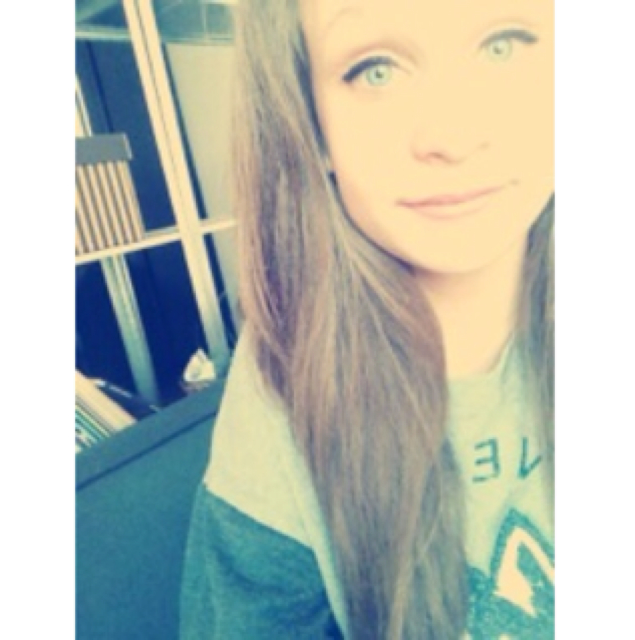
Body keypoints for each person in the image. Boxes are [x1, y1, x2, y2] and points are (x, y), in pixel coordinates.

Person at [180, 0, 554, 637]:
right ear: (313, 125)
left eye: (502, 44)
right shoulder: (283, 395)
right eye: (376, 69)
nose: (453, 135)